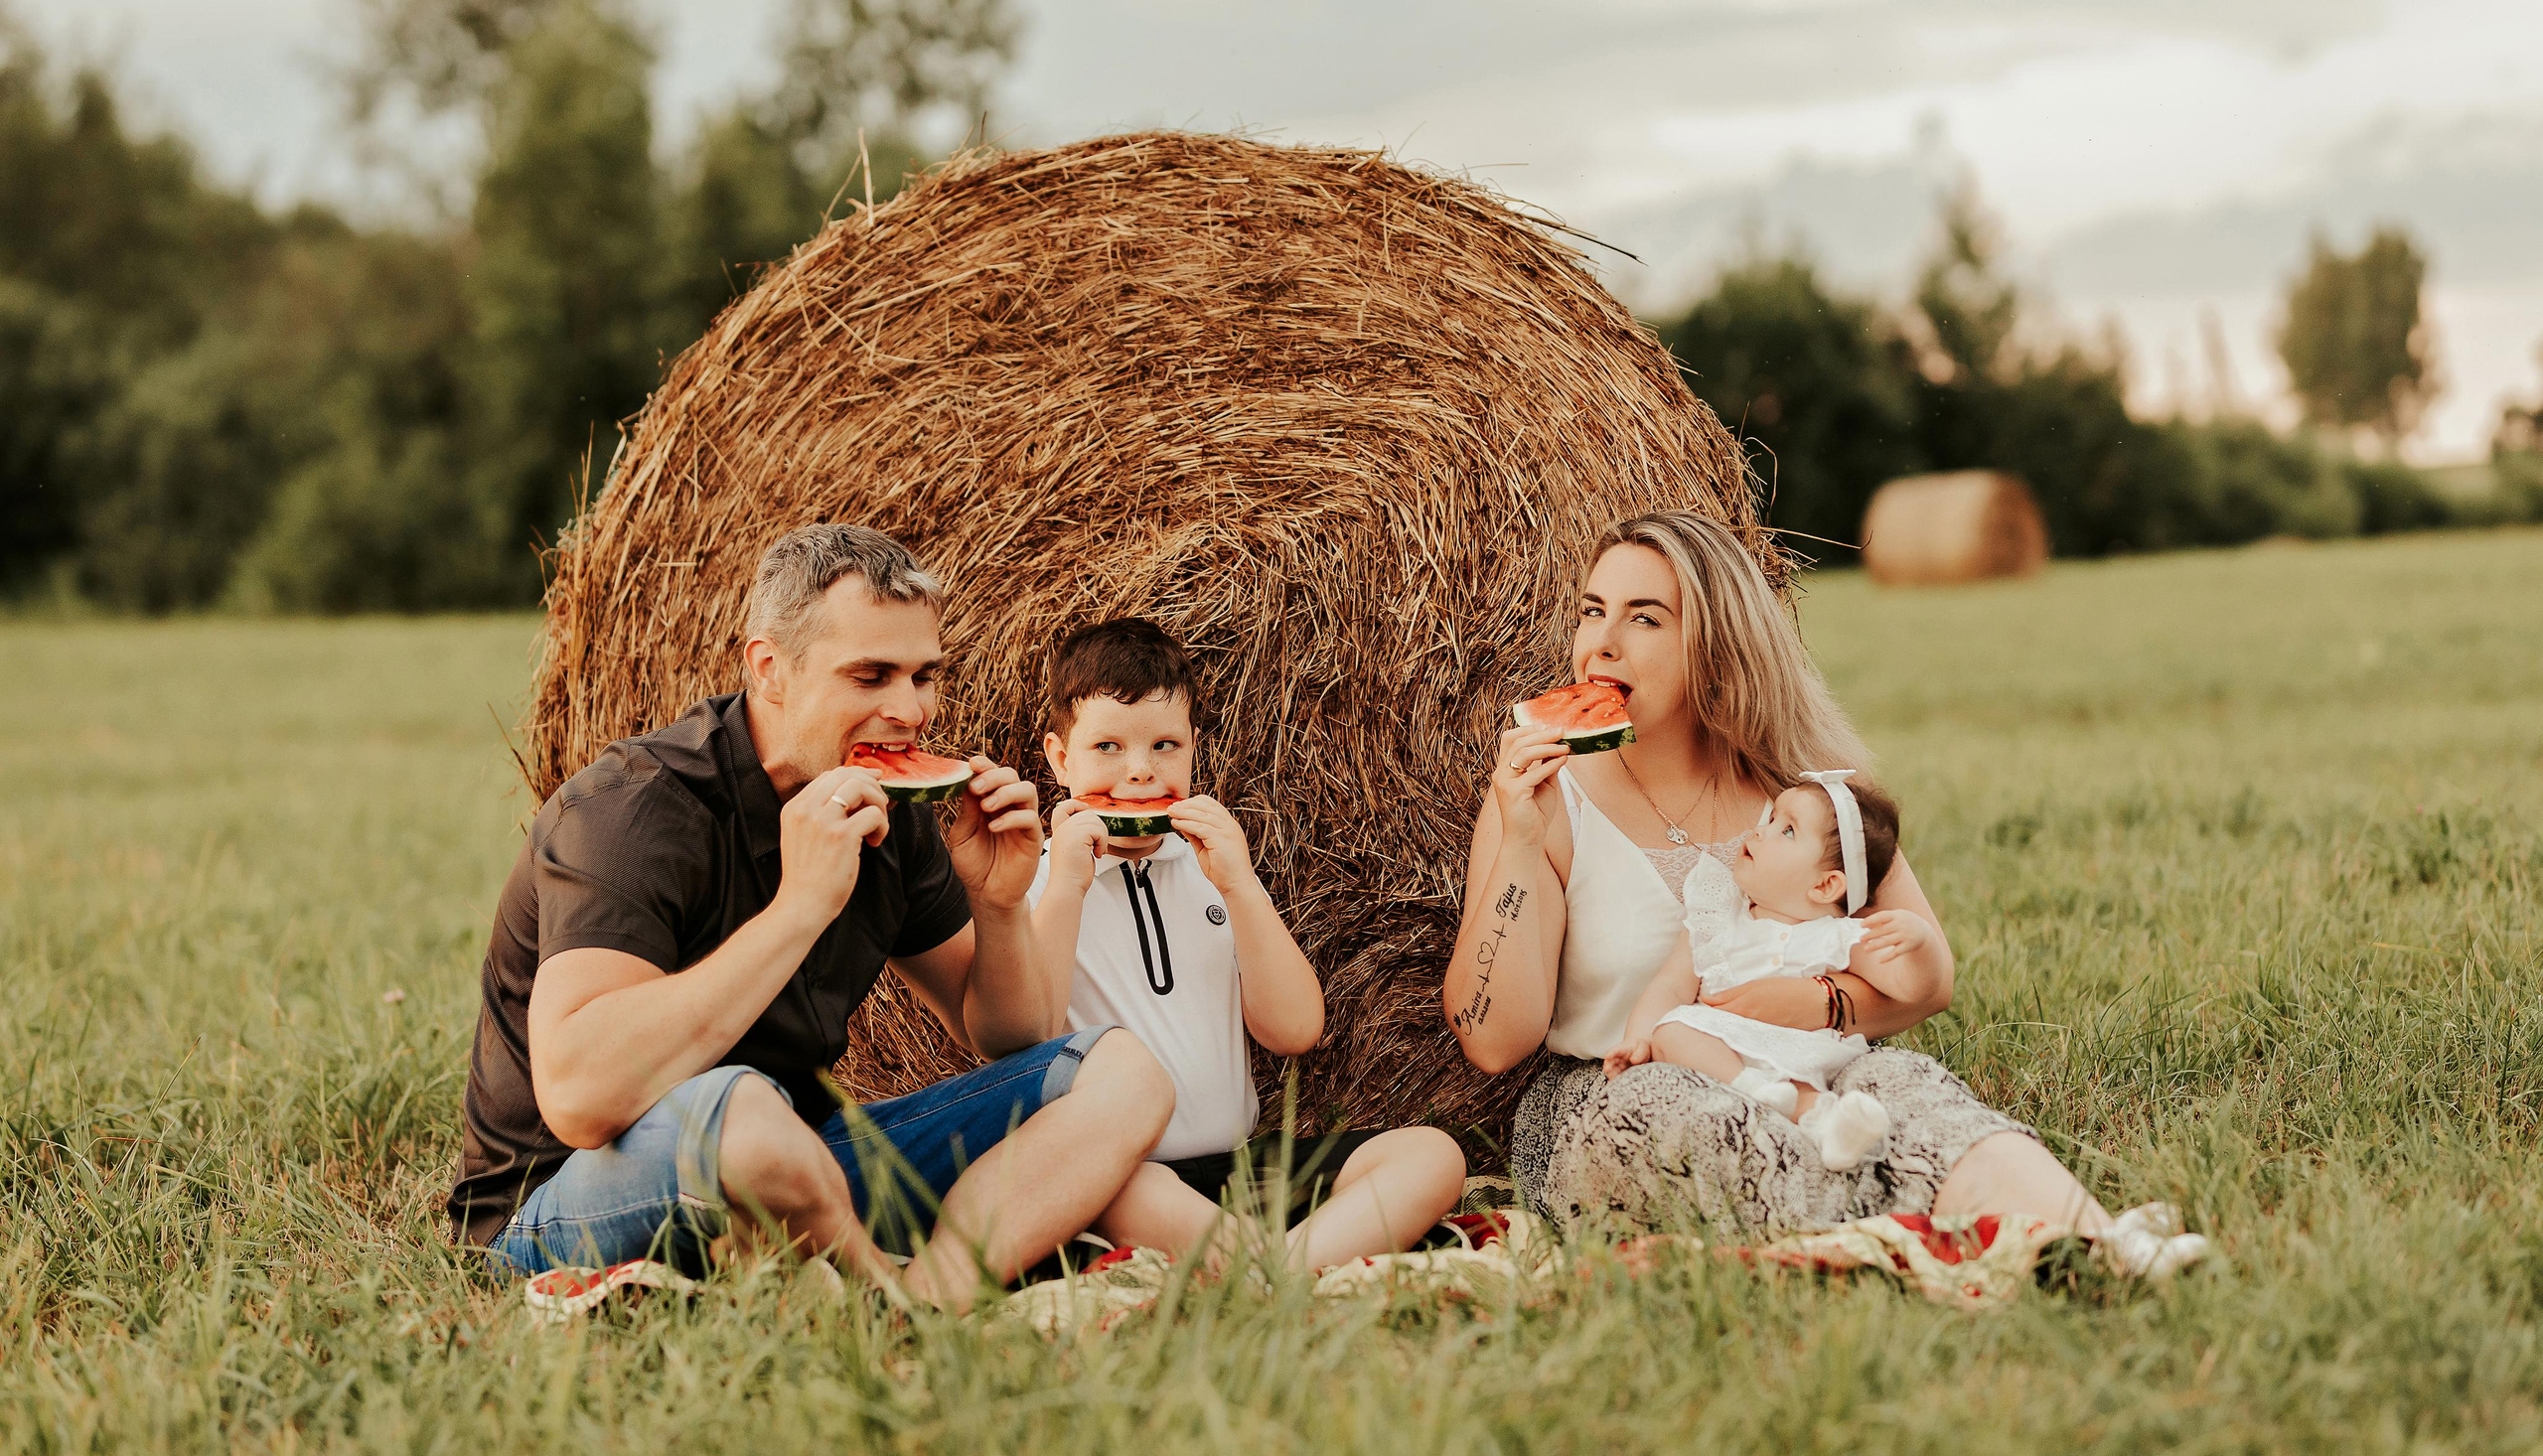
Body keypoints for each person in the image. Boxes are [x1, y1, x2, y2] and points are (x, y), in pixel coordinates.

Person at [1443, 510, 2208, 1279]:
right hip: (1615, 1092)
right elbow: (1491, 1038)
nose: (1601, 643)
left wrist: (1812, 1003)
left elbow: (1928, 982)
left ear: (1714, 643)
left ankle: (2107, 1243)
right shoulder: (1546, 801)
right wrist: (1520, 842)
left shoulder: (1801, 790)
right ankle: (1957, 1240)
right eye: (1592, 610)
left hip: (1807, 1065)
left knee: (1905, 1082)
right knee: (1693, 1112)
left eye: (1645, 618)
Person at [448, 523, 1175, 1311]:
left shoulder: (889, 810)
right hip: (561, 1201)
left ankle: (932, 1297)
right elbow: (580, 1095)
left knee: (1124, 1072)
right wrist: (799, 907)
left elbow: (1009, 1035)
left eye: (924, 675)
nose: (910, 709)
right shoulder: (629, 811)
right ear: (770, 668)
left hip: (799, 1163)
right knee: (747, 1113)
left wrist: (999, 902)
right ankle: (884, 1297)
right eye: (871, 675)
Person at [1025, 618, 1466, 1270]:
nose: (1140, 771)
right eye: (1108, 747)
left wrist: (1240, 884)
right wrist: (1065, 883)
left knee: (1434, 1154)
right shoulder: (1037, 883)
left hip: (1243, 1169)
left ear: (1193, 749)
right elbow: (1029, 1028)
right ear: (1062, 759)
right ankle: (1291, 1264)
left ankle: (1272, 1265)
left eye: (1165, 745)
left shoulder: (1213, 870)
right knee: (1102, 1182)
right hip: (1130, 1177)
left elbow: (1295, 1030)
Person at [1606, 774, 1934, 1170]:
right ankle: (1782, 1104)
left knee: (1802, 1087)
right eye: (1772, 819)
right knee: (1672, 1032)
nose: (1761, 831)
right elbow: (1671, 985)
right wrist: (1638, 1038)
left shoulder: (1838, 936)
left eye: (1788, 830)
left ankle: (1831, 1125)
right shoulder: (1718, 915)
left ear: (1826, 886)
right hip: (1721, 1047)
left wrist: (1922, 945)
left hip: (1794, 1048)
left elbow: (1910, 988)